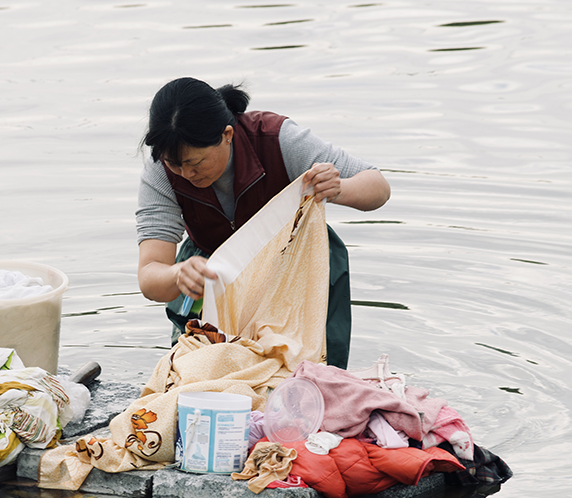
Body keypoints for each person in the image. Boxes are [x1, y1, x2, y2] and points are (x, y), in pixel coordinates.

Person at [136, 77, 390, 369]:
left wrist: (338, 188)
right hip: (215, 269)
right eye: (174, 164)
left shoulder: (277, 139)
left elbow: (379, 188)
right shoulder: (160, 171)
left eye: (196, 162)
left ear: (227, 134)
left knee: (309, 378)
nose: (186, 174)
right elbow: (150, 275)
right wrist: (178, 274)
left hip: (297, 266)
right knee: (197, 373)